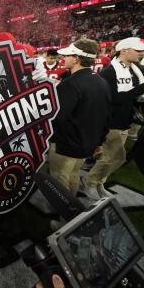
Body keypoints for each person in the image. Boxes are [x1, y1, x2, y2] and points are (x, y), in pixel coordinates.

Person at [84, 38, 144, 200]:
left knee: (111, 156)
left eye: (142, 50)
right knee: (115, 156)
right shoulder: (109, 72)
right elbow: (115, 99)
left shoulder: (135, 70)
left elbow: (134, 96)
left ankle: (99, 182)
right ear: (123, 51)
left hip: (124, 120)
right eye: (137, 50)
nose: (142, 53)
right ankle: (90, 182)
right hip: (110, 121)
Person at [47, 38, 111, 196]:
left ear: (76, 58)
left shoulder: (70, 84)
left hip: (66, 144)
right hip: (86, 143)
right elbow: (105, 116)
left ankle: (64, 218)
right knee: (73, 176)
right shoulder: (101, 81)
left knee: (59, 181)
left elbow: (57, 117)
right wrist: (99, 142)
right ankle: (70, 214)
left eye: (67, 55)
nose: (63, 58)